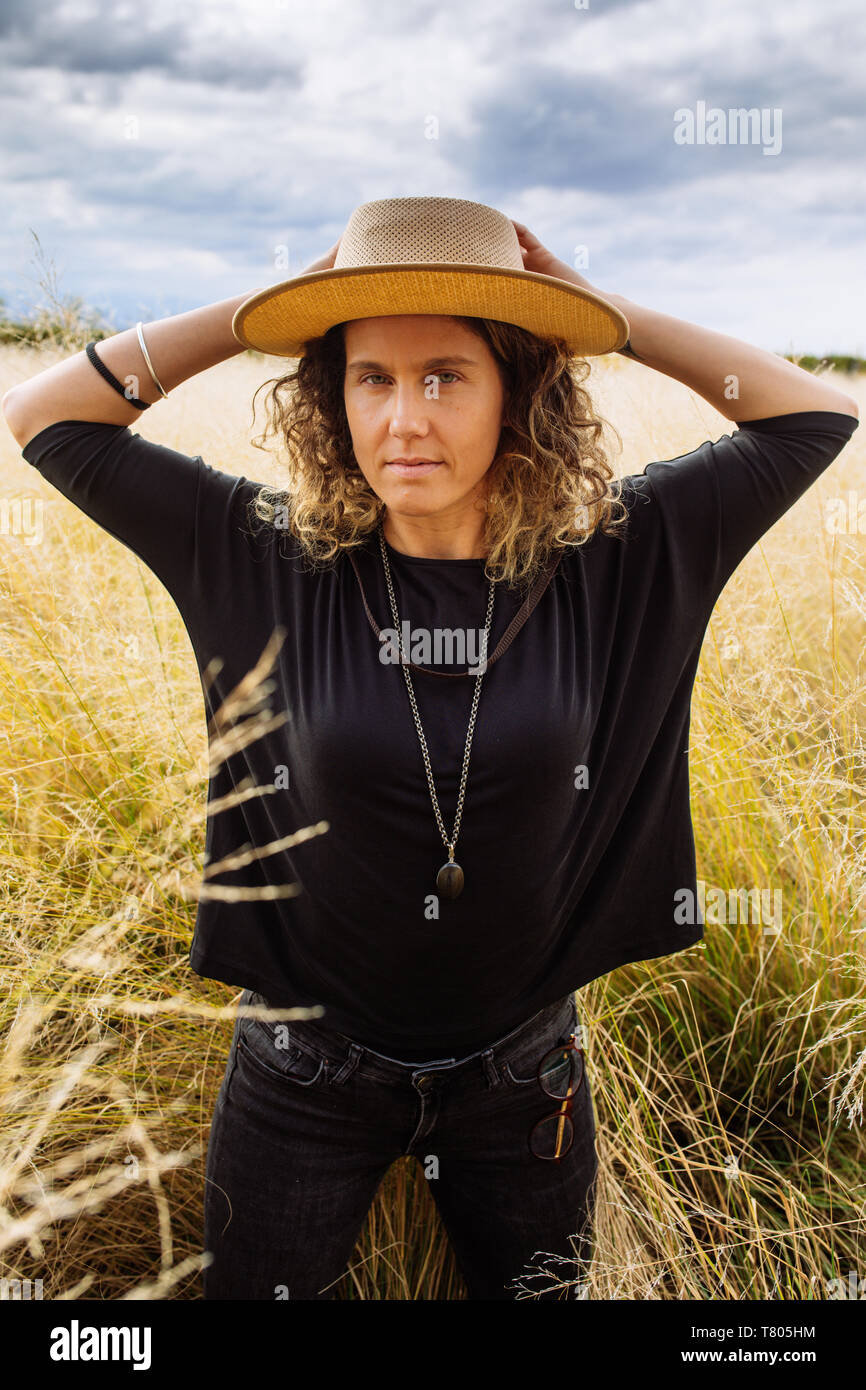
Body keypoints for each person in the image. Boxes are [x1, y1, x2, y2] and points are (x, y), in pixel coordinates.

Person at [2, 195, 858, 1302]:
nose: (403, 418)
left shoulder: (611, 561)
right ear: (333, 395)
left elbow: (811, 419)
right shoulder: (262, 556)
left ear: (519, 393)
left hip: (522, 1083)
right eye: (370, 377)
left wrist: (604, 314)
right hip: (299, 1076)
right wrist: (264, 312)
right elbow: (45, 416)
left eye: (444, 376)